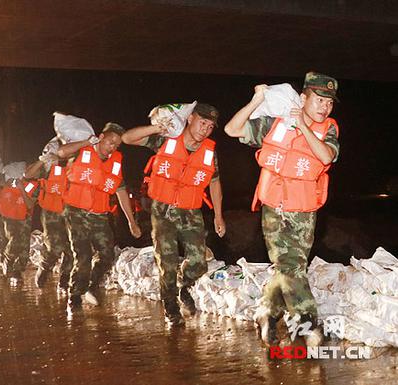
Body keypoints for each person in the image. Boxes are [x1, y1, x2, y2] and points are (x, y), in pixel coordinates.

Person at [224, 72, 340, 346]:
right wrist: (256, 101)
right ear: (303, 98)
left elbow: (326, 156)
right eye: (319, 100)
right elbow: (232, 129)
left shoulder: (329, 129)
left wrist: (303, 125)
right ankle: (309, 325)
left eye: (329, 102)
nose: (325, 107)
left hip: (304, 208)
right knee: (290, 267)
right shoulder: (275, 124)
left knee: (291, 267)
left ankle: (266, 312)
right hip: (274, 206)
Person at [122, 103, 226, 327]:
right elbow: (127, 139)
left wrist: (218, 215)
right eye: (202, 122)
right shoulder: (166, 140)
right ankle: (170, 306)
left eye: (210, 126)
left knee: (199, 262)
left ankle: (182, 285)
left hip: (191, 210)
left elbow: (215, 182)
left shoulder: (209, 151)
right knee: (167, 261)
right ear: (190, 119)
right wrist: (155, 128)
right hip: (163, 211)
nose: (205, 129)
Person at [58, 122, 142, 313]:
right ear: (101, 137)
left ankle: (92, 285)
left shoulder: (116, 161)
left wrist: (132, 221)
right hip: (76, 213)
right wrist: (84, 142)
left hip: (100, 215)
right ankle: (75, 296)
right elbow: (61, 152)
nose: (112, 147)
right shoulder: (82, 150)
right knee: (83, 255)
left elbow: (120, 190)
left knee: (107, 254)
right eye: (110, 142)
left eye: (117, 145)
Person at [25, 142, 74, 294]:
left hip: (69, 213)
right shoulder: (45, 169)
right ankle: (45, 267)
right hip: (50, 213)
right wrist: (43, 159)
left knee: (71, 249)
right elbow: (27, 175)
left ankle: (64, 281)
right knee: (55, 247)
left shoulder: (69, 165)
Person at [0, 171, 38, 284]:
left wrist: (21, 189)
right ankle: (7, 263)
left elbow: (29, 204)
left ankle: (18, 271)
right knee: (15, 241)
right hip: (11, 218)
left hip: (25, 219)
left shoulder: (34, 186)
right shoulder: (9, 184)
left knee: (24, 248)